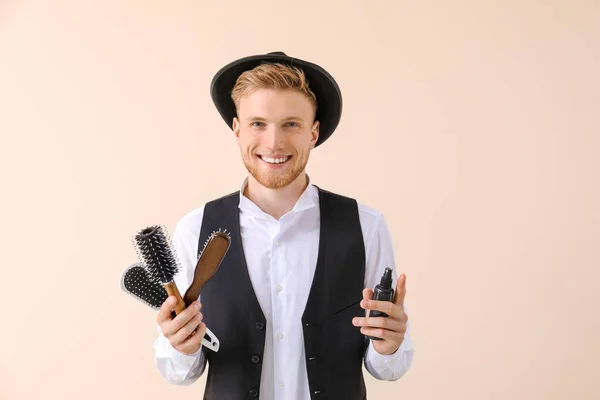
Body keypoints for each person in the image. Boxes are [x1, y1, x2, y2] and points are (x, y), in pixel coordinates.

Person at [153, 51, 414, 399]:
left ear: (313, 133)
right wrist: (180, 346)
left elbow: (386, 367)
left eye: (291, 124)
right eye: (258, 123)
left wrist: (390, 344)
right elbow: (181, 372)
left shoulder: (366, 227)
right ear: (237, 129)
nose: (274, 143)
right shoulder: (194, 229)